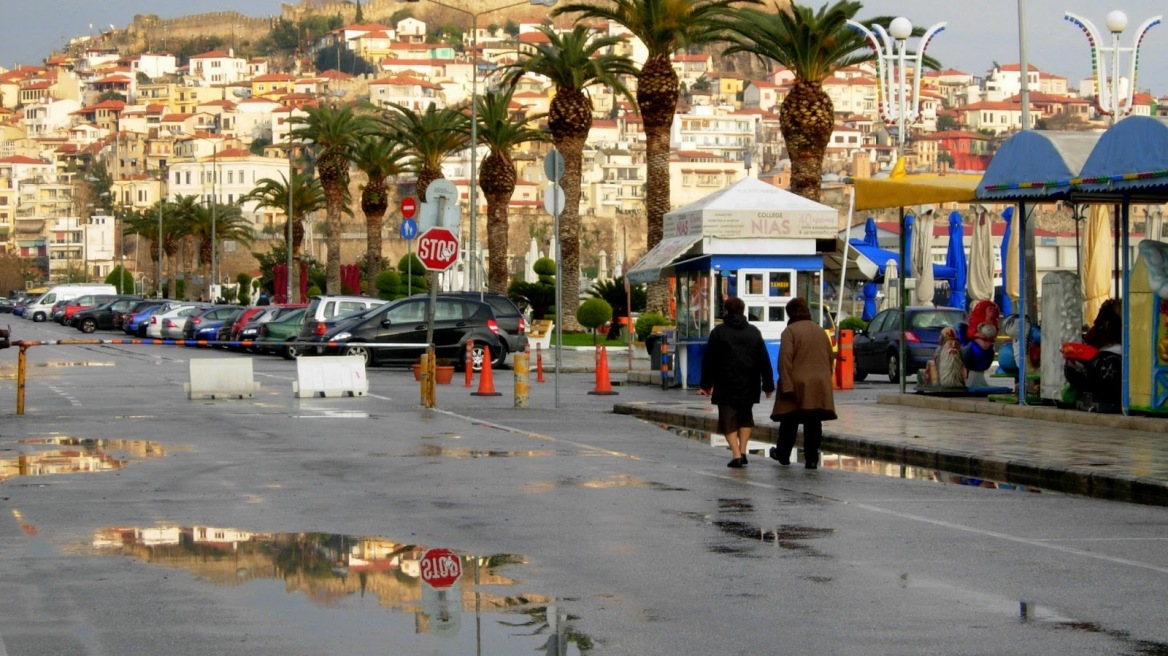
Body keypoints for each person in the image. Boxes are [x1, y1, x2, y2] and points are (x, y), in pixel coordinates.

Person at [699, 296, 775, 468]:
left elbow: (709, 360)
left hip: (725, 383)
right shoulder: (754, 331)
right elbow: (764, 359)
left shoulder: (718, 332)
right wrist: (768, 384)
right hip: (750, 382)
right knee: (745, 417)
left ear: (726, 311)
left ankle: (735, 454)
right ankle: (743, 450)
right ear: (743, 310)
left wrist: (706, 385)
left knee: (728, 419)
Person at [770, 297, 837, 469]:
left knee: (789, 419)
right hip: (819, 383)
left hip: (797, 381)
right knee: (813, 422)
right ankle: (811, 458)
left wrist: (786, 384)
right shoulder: (820, 330)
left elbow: (785, 360)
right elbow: (830, 357)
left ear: (790, 313)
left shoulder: (790, 331)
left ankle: (783, 454)